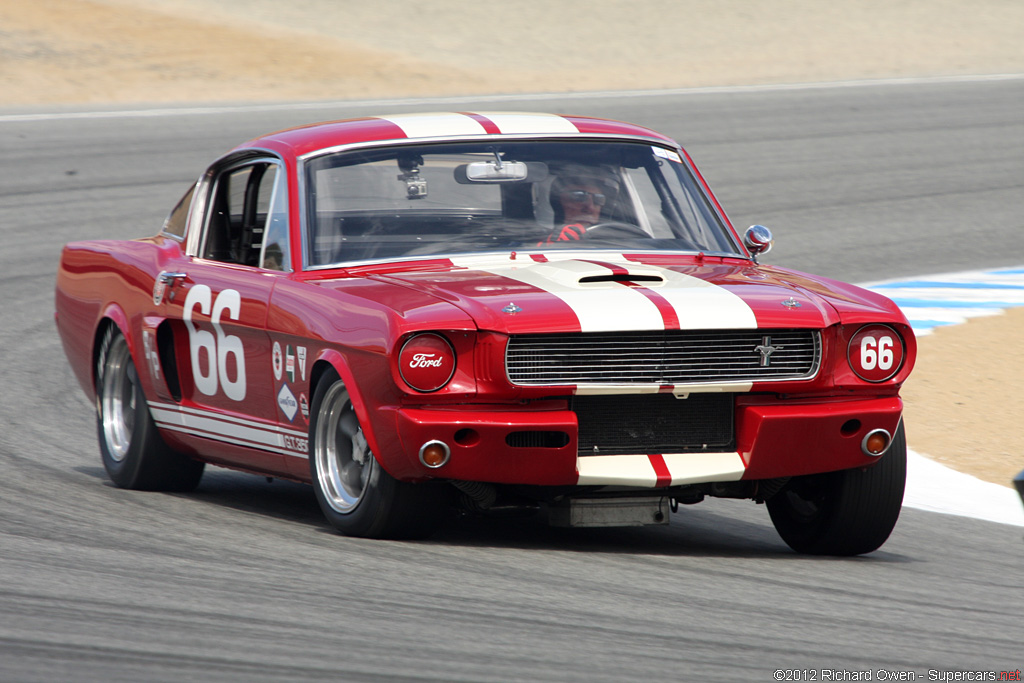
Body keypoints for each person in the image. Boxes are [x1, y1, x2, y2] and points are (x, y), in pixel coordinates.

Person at [540, 167, 619, 244]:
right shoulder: (541, 247)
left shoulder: (621, 243)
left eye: (598, 199)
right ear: (558, 204)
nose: (590, 207)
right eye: (579, 197)